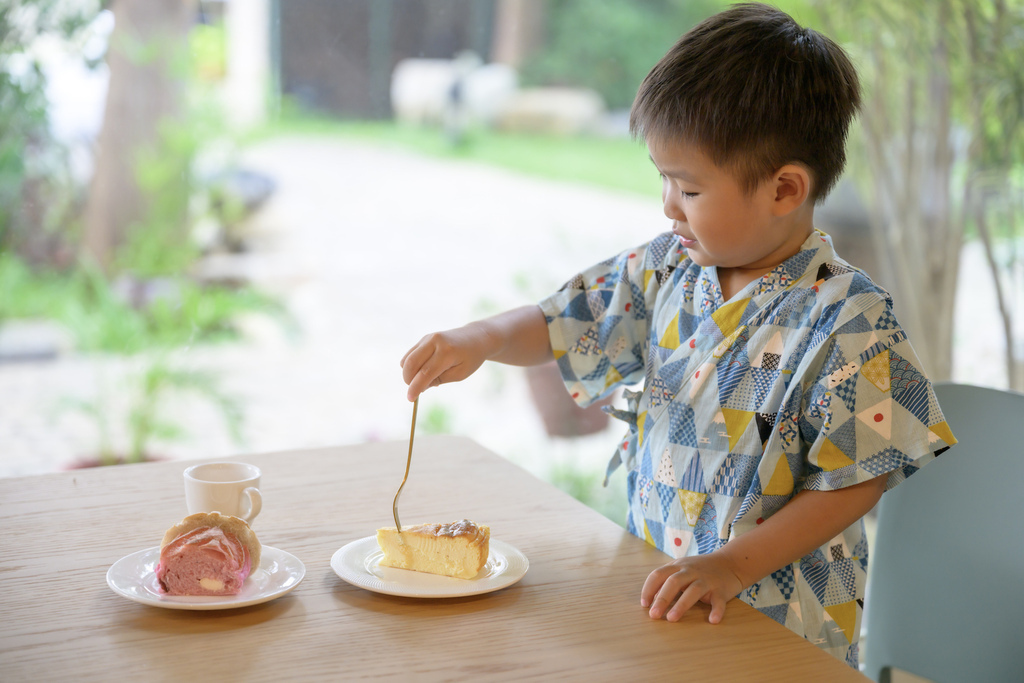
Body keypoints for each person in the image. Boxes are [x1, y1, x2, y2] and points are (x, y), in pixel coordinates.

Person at [400, 2, 956, 668]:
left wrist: (729, 565)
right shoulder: (668, 267)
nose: (667, 205)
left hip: (783, 623)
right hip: (666, 592)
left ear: (784, 189)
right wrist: (483, 338)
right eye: (663, 179)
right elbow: (565, 320)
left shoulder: (849, 319)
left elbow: (856, 479)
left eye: (688, 188)